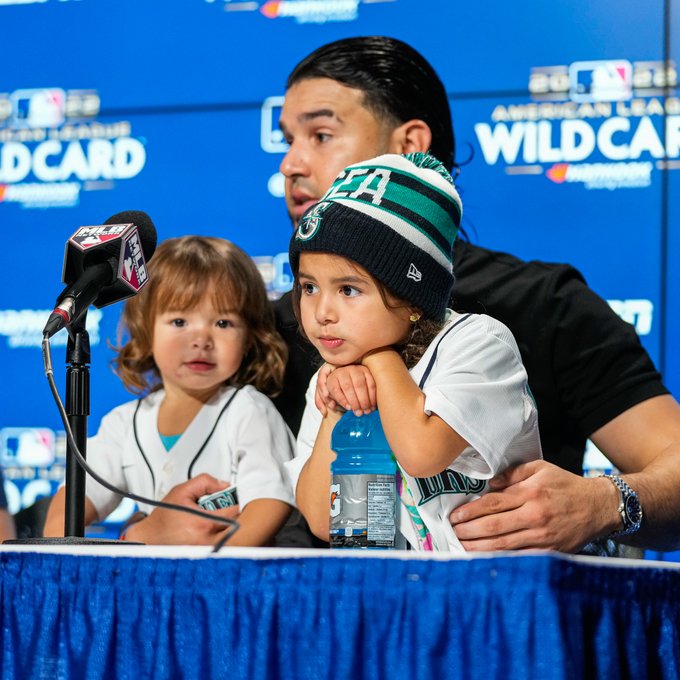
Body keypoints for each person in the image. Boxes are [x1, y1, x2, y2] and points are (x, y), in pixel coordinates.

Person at [272, 35, 680, 553]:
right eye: (288, 139)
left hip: (504, 614)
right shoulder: (263, 325)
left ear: (410, 146)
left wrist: (603, 504)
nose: (290, 164)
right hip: (321, 620)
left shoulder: (543, 302)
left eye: (321, 134)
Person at [286, 152, 542, 550]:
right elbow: (328, 522)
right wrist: (338, 408)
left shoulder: (479, 344)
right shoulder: (334, 378)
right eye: (309, 287)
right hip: (415, 597)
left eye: (349, 290)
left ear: (413, 300)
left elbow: (423, 453)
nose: (322, 312)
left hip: (509, 589)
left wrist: (378, 359)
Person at [44, 236, 294, 546]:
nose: (201, 339)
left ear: (250, 338)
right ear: (146, 331)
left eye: (223, 322)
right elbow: (72, 501)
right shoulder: (124, 424)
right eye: (179, 321)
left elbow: (271, 502)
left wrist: (217, 565)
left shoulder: (249, 410)